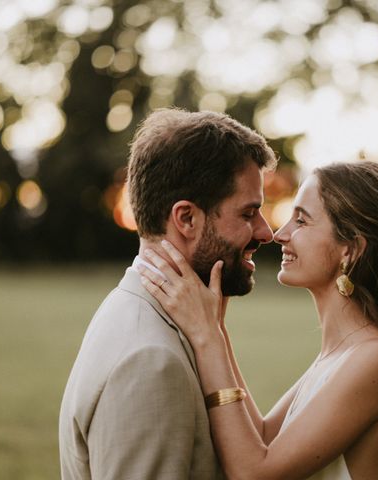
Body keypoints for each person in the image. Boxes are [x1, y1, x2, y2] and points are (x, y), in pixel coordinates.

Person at [139, 161, 378, 480]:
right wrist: (218, 328)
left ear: (350, 249)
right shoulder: (339, 356)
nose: (280, 234)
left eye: (301, 220)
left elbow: (253, 473)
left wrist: (208, 338)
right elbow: (261, 437)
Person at [58, 108, 277, 479]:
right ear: (187, 218)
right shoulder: (150, 361)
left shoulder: (136, 310)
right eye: (248, 213)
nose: (265, 232)